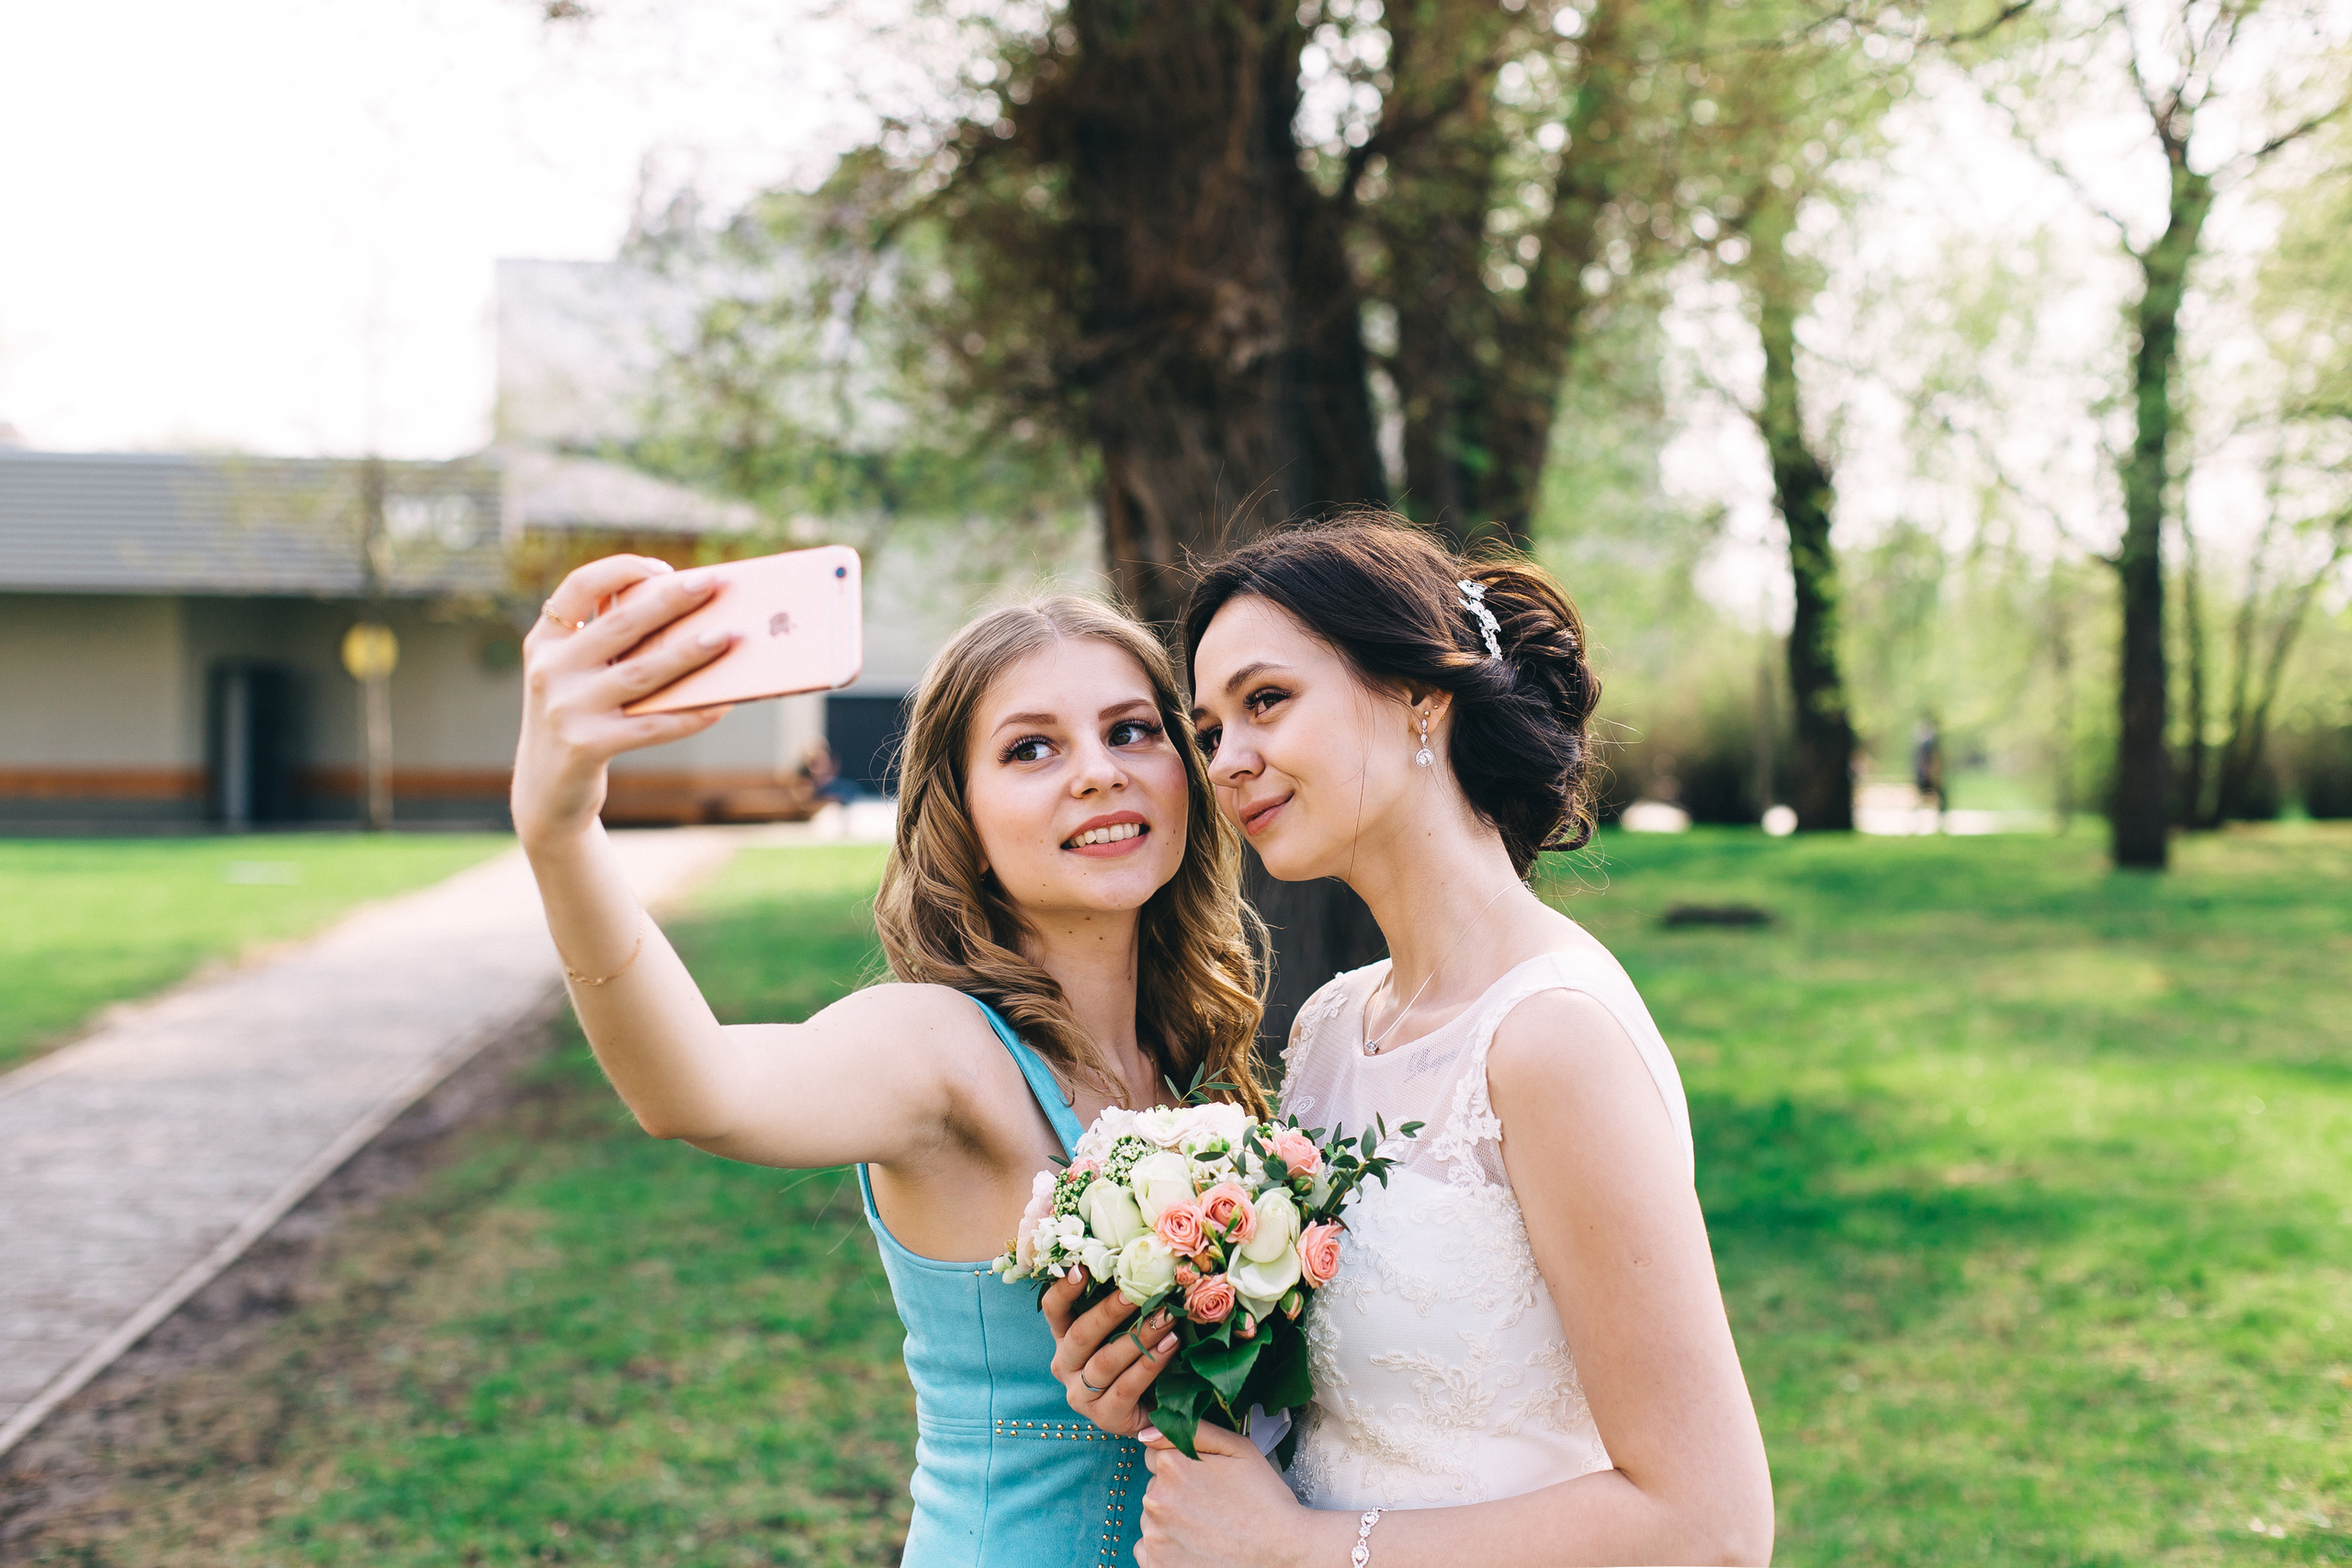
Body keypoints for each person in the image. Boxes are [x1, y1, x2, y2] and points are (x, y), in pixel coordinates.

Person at [510, 555, 1269, 1567]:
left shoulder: (1192, 1066)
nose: (1098, 769)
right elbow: (700, 1090)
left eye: (1131, 730)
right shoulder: (938, 1046)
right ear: (963, 813)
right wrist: (560, 831)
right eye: (1031, 749)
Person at [1048, 517, 1773, 1567]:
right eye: (1208, 730)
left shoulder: (1549, 1039)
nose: (1227, 762)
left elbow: (1711, 1528)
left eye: (1266, 702)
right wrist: (1155, 1373)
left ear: (1420, 697)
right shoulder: (1334, 1028)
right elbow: (1341, 1406)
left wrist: (1307, 1553)